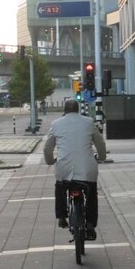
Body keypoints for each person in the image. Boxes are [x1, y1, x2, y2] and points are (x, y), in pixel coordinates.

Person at [44, 99, 106, 239]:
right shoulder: (89, 122)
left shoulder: (56, 124)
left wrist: (50, 161)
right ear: (78, 109)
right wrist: (101, 157)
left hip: (64, 169)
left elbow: (47, 147)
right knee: (91, 194)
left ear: (64, 111)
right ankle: (90, 224)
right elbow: (100, 143)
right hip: (86, 169)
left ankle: (61, 217)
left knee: (60, 187)